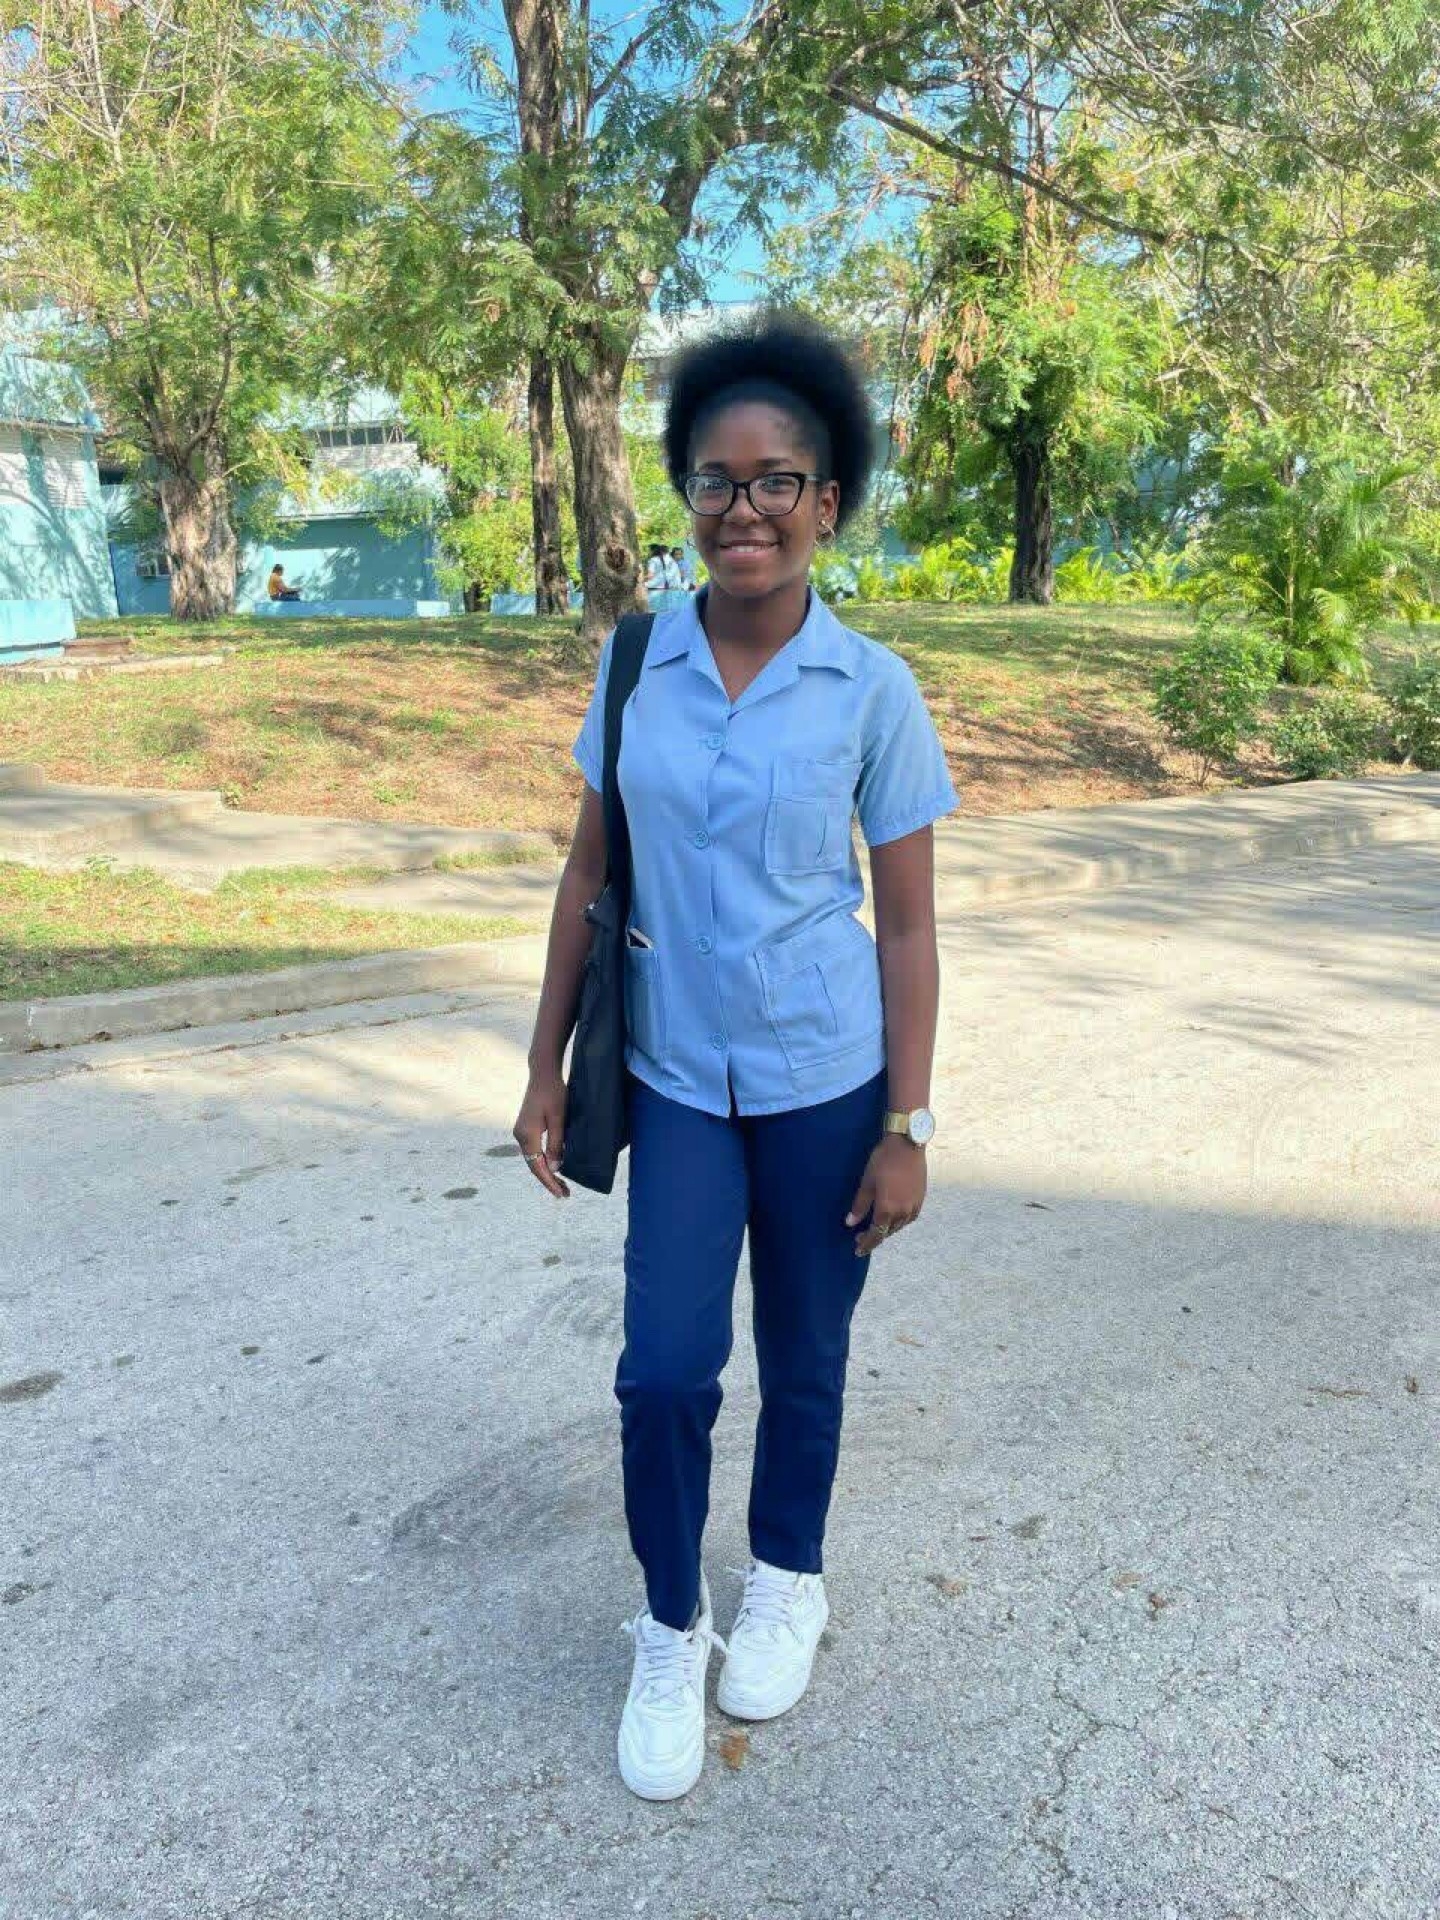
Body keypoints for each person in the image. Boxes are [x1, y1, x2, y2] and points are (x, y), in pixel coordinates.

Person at [512, 311, 958, 1802]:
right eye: (717, 479)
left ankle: (786, 1577)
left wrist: (908, 1122)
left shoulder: (872, 689)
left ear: (827, 500)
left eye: (777, 481)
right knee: (662, 1373)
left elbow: (908, 926)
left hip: (828, 1080)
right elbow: (590, 872)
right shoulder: (636, 663)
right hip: (679, 1081)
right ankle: (668, 1622)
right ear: (688, 496)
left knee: (807, 1354)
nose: (744, 507)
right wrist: (544, 1065)